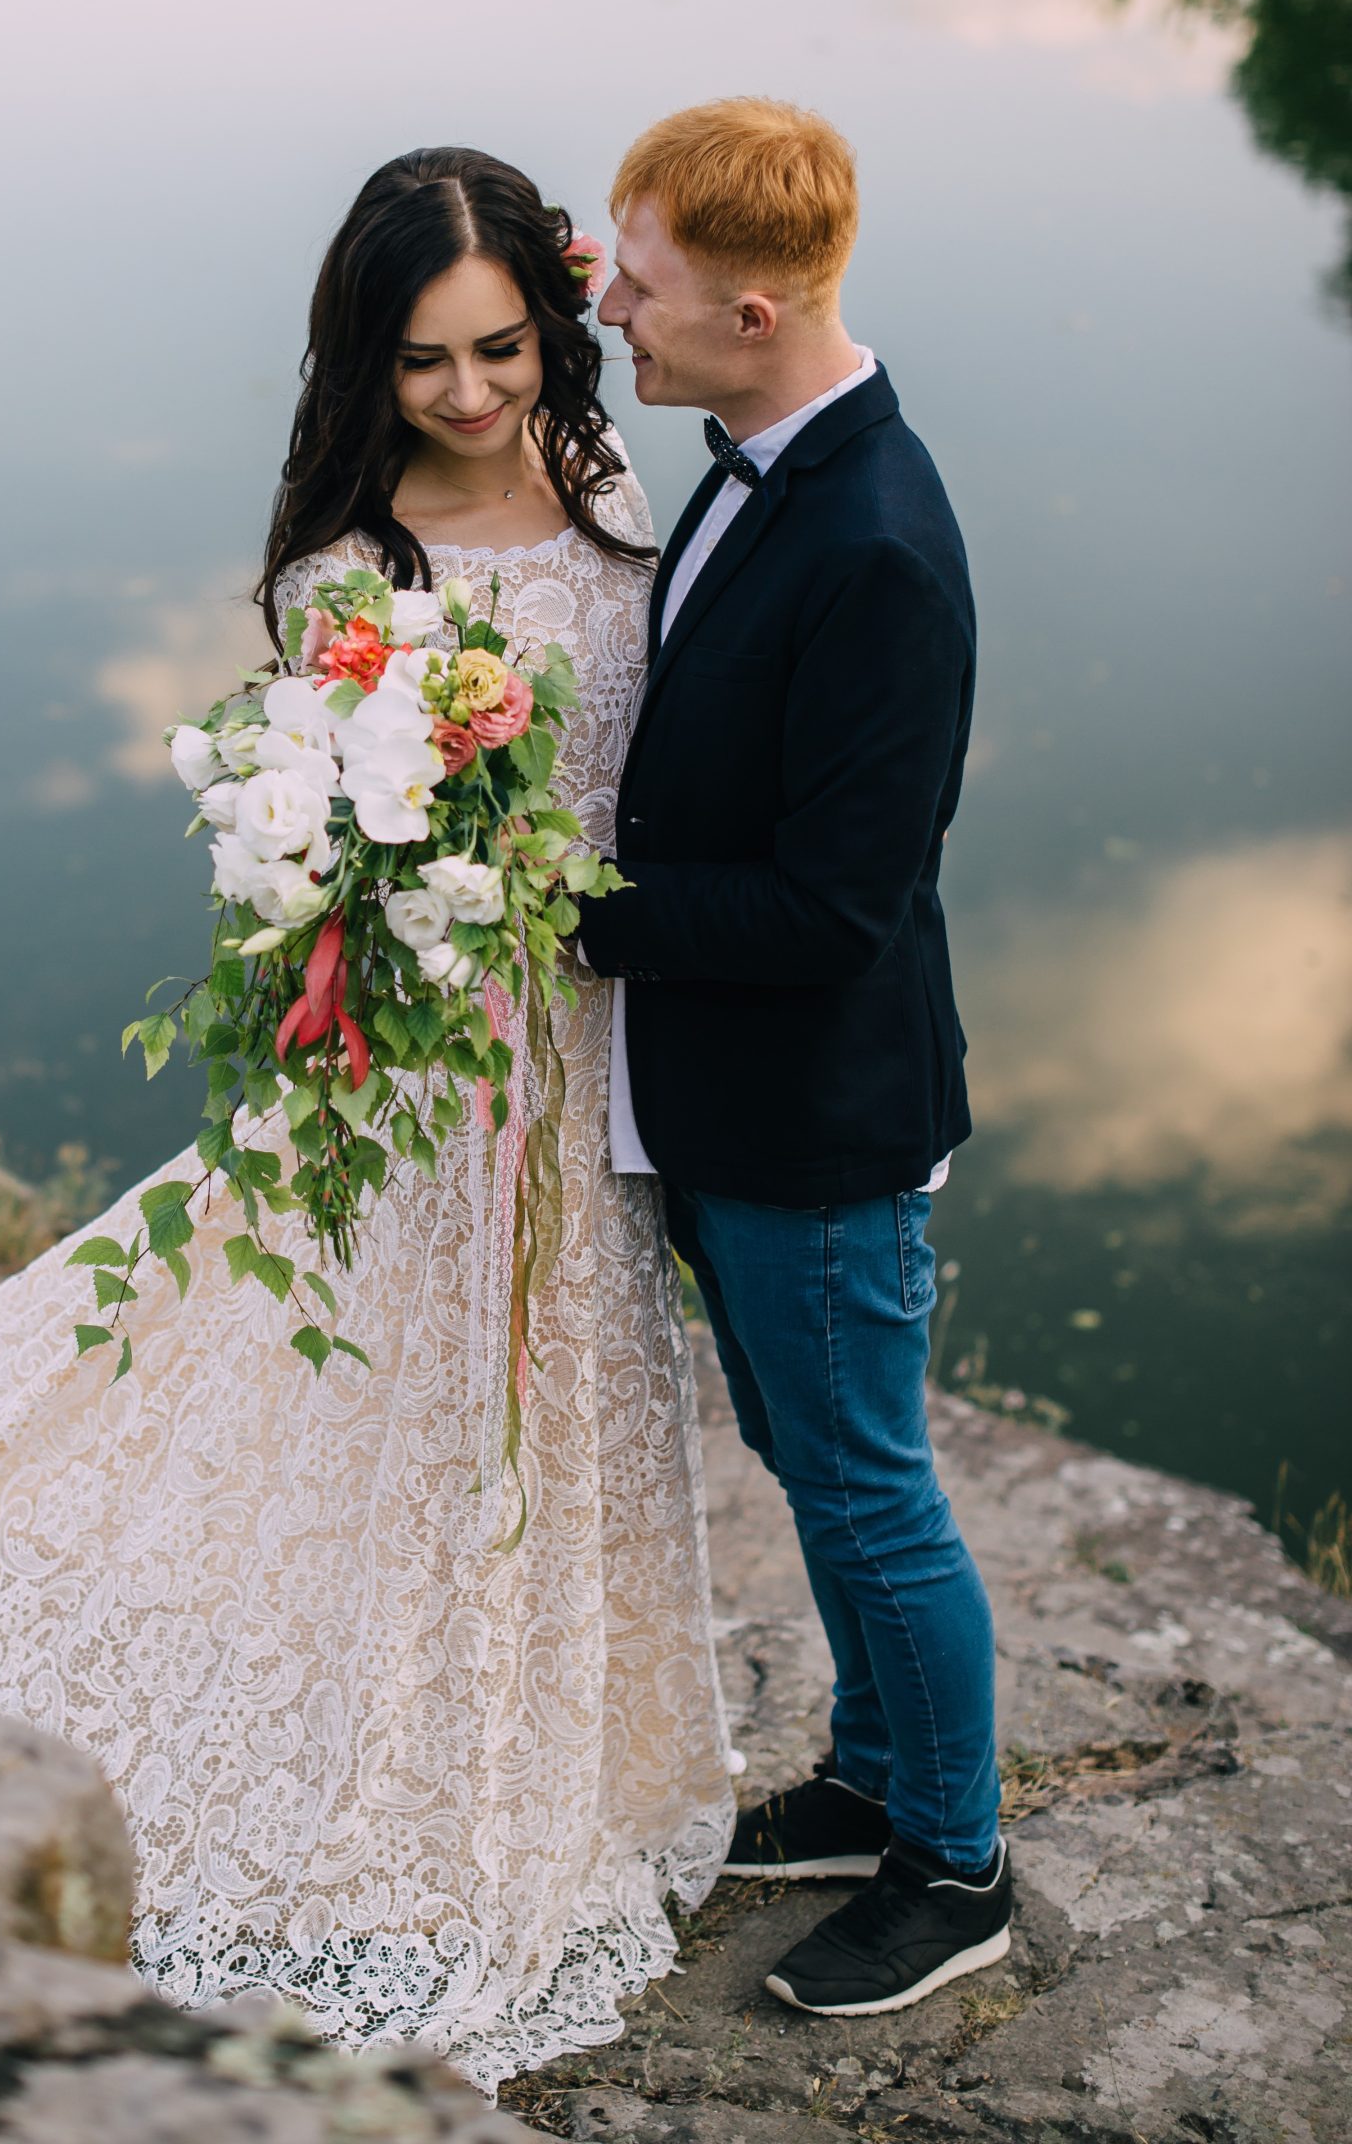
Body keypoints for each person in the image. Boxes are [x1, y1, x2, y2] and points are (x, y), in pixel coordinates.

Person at [0, 146, 733, 2096]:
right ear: (368, 363)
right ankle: (377, 1720)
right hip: (430, 1054)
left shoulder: (608, 490)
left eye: (501, 346)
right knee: (387, 1389)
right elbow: (341, 836)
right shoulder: (355, 570)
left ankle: (559, 1715)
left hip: (587, 1038)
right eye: (424, 360)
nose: (468, 395)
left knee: (558, 1370)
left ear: (550, 318)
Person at [582, 97, 1010, 2017]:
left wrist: (573, 912)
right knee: (806, 1452)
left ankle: (959, 1861)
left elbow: (834, 911)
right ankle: (868, 1781)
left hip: (820, 1122)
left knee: (864, 1485)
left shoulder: (878, 547)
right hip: (731, 1102)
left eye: (643, 279)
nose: (610, 304)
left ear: (754, 310)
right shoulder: (755, 451)